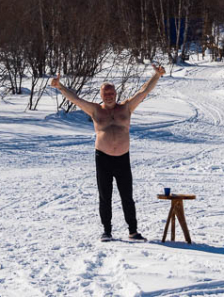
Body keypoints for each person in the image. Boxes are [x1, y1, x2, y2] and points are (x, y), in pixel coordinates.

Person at [51, 64, 166, 242]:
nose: (109, 96)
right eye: (106, 94)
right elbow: (76, 99)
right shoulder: (96, 110)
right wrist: (60, 87)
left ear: (116, 94)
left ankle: (133, 231)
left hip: (122, 158)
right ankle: (107, 231)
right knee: (105, 195)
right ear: (101, 96)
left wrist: (156, 76)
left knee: (127, 195)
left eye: (111, 93)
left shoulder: (126, 108)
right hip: (102, 158)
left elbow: (143, 91)